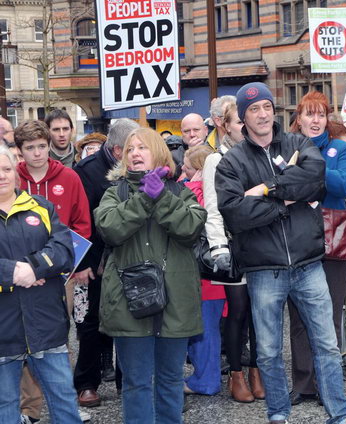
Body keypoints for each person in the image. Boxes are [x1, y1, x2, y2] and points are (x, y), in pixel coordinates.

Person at [215, 82, 346, 424]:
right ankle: (278, 414)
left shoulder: (298, 143)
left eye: (267, 107)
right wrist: (284, 203)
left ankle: (339, 414)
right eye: (254, 109)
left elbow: (315, 179)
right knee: (268, 350)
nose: (263, 114)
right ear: (243, 117)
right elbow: (235, 214)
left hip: (308, 263)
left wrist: (266, 189)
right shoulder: (231, 162)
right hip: (264, 269)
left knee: (327, 343)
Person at [94, 127, 206, 423]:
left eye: (142, 147)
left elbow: (191, 228)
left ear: (158, 152)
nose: (135, 153)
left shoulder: (180, 191)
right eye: (130, 149)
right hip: (128, 303)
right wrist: (144, 198)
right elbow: (110, 229)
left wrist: (162, 198)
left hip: (176, 302)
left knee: (170, 380)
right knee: (136, 383)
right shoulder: (114, 192)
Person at [0, 144, 82, 424]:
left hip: (46, 323)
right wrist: (14, 272)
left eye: (6, 169)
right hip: (3, 328)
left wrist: (33, 268)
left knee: (64, 399)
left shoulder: (42, 206)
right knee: (5, 404)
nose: (2, 175)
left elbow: (64, 250)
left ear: (16, 172)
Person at [287, 91, 346, 406]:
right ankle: (304, 384)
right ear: (299, 119)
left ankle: (328, 384)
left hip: (333, 238)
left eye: (321, 114)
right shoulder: (287, 147)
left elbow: (343, 186)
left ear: (327, 119)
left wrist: (312, 165)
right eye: (309, 114)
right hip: (297, 239)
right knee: (299, 316)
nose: (315, 120)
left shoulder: (340, 147)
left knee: (330, 313)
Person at [72, 118, 140, 404]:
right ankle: (87, 382)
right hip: (97, 258)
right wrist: (84, 263)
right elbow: (81, 220)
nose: (136, 152)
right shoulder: (86, 171)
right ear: (116, 150)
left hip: (132, 254)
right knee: (91, 321)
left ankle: (130, 383)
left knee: (132, 320)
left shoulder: (140, 165)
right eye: (131, 148)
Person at [202, 102, 264, 403]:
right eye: (238, 121)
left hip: (262, 243)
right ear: (225, 125)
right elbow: (212, 208)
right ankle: (236, 374)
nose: (243, 126)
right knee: (237, 312)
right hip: (232, 244)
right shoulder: (216, 159)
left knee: (259, 312)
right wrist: (219, 247)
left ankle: (257, 372)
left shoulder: (260, 152)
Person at [181, 145, 227, 396]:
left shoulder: (196, 191)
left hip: (204, 276)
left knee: (204, 331)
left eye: (188, 167)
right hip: (214, 275)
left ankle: (206, 380)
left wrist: (193, 185)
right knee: (207, 329)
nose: (182, 170)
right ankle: (204, 377)